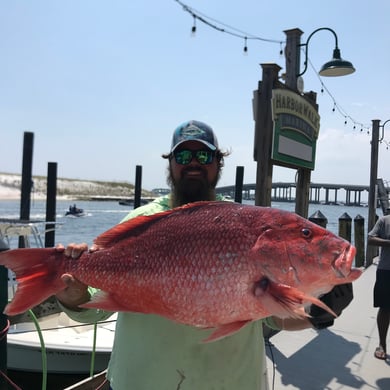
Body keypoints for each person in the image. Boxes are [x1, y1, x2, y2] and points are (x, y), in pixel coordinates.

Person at [55, 120, 352, 389]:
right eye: (183, 156)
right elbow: (96, 306)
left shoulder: (244, 221)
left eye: (204, 155)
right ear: (170, 164)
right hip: (143, 380)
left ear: (218, 163)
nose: (193, 163)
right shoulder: (140, 220)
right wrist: (73, 293)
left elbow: (277, 320)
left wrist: (320, 313)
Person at [368, 209, 390, 360]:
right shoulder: (384, 220)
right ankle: (382, 344)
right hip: (386, 270)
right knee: (385, 308)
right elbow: (370, 239)